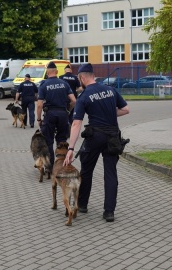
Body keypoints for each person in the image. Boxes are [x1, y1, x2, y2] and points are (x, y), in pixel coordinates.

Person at [64, 63, 130, 222]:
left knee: (86, 170)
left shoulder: (84, 96)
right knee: (110, 173)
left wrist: (71, 148)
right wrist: (110, 115)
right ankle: (109, 212)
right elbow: (126, 109)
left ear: (82, 77)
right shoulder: (111, 90)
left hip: (95, 137)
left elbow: (76, 123)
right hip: (113, 137)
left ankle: (82, 204)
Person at [37, 62, 76, 171]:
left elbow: (39, 105)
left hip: (50, 114)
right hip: (63, 114)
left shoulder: (43, 85)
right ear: (57, 72)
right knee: (62, 140)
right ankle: (63, 166)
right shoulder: (64, 83)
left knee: (48, 141)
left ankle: (49, 167)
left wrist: (39, 119)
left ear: (47, 72)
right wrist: (68, 110)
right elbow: (74, 101)